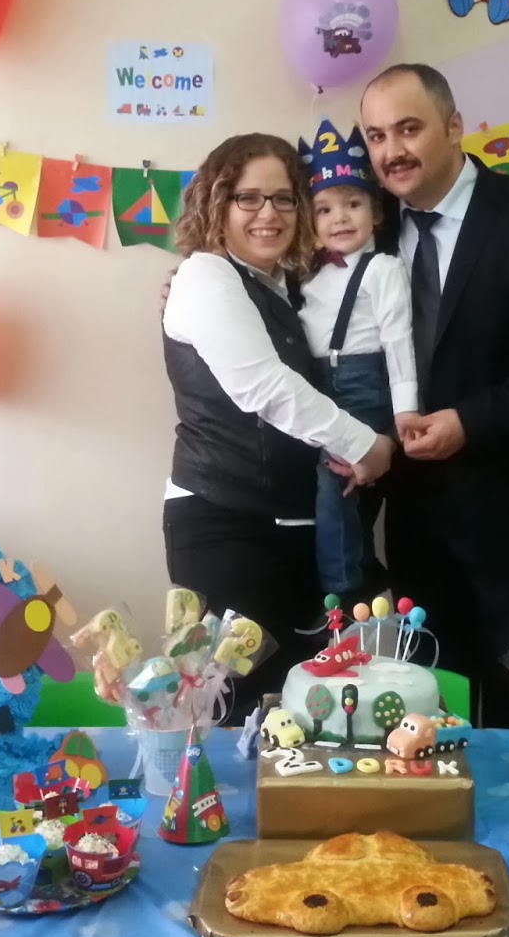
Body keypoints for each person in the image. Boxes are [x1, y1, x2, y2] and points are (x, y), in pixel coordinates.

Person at [359, 63, 509, 728]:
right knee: (428, 703)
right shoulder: (366, 225)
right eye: (377, 136)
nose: (392, 151)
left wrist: (470, 421)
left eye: (408, 129)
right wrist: (193, 284)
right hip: (414, 513)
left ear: (453, 127)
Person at [161, 133, 396, 720]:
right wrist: (366, 446)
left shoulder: (285, 288)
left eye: (284, 198)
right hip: (225, 524)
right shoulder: (206, 276)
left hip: (292, 525)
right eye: (248, 198)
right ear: (216, 202)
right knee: (242, 711)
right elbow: (261, 387)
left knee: (304, 714)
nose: (268, 213)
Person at [296, 119, 418, 605]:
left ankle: (342, 599)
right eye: (324, 209)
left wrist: (405, 416)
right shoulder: (307, 276)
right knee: (343, 499)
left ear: (376, 212)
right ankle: (367, 579)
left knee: (337, 486)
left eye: (353, 204)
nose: (340, 218)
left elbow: (399, 344)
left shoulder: (384, 269)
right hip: (319, 388)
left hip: (363, 385)